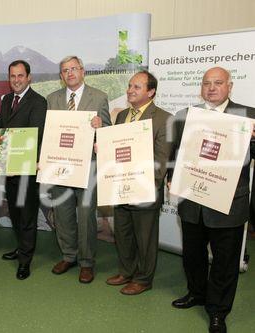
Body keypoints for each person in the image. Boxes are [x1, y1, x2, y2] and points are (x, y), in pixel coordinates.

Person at [169, 66, 255, 333]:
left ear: (230, 86)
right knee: (192, 255)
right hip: (192, 199)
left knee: (225, 260)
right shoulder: (185, 116)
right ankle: (197, 293)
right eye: (207, 83)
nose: (211, 88)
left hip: (228, 202)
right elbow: (175, 152)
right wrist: (171, 177)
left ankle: (218, 311)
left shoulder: (248, 116)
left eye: (218, 83)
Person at [105, 71, 171, 295]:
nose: (130, 90)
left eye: (137, 87)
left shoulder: (164, 119)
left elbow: (161, 161)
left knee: (145, 239)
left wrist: (140, 182)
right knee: (123, 234)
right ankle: (126, 271)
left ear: (151, 92)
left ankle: (143, 279)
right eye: (129, 86)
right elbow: (116, 150)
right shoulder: (122, 115)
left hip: (145, 190)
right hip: (120, 186)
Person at [46, 55, 110, 283]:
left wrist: (100, 128)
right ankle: (69, 255)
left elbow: (108, 135)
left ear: (83, 71)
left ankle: (86, 262)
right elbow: (49, 135)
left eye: (74, 69)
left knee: (85, 218)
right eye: (65, 70)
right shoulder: (51, 99)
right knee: (62, 215)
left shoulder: (99, 97)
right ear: (61, 76)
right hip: (61, 167)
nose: (70, 73)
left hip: (87, 168)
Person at [0, 60, 47, 280]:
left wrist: (15, 163)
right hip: (9, 170)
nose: (16, 80)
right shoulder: (7, 100)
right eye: (12, 76)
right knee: (16, 214)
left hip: (27, 170)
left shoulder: (38, 102)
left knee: (27, 216)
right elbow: (3, 134)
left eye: (20, 76)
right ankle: (21, 248)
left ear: (29, 77)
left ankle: (25, 261)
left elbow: (34, 137)